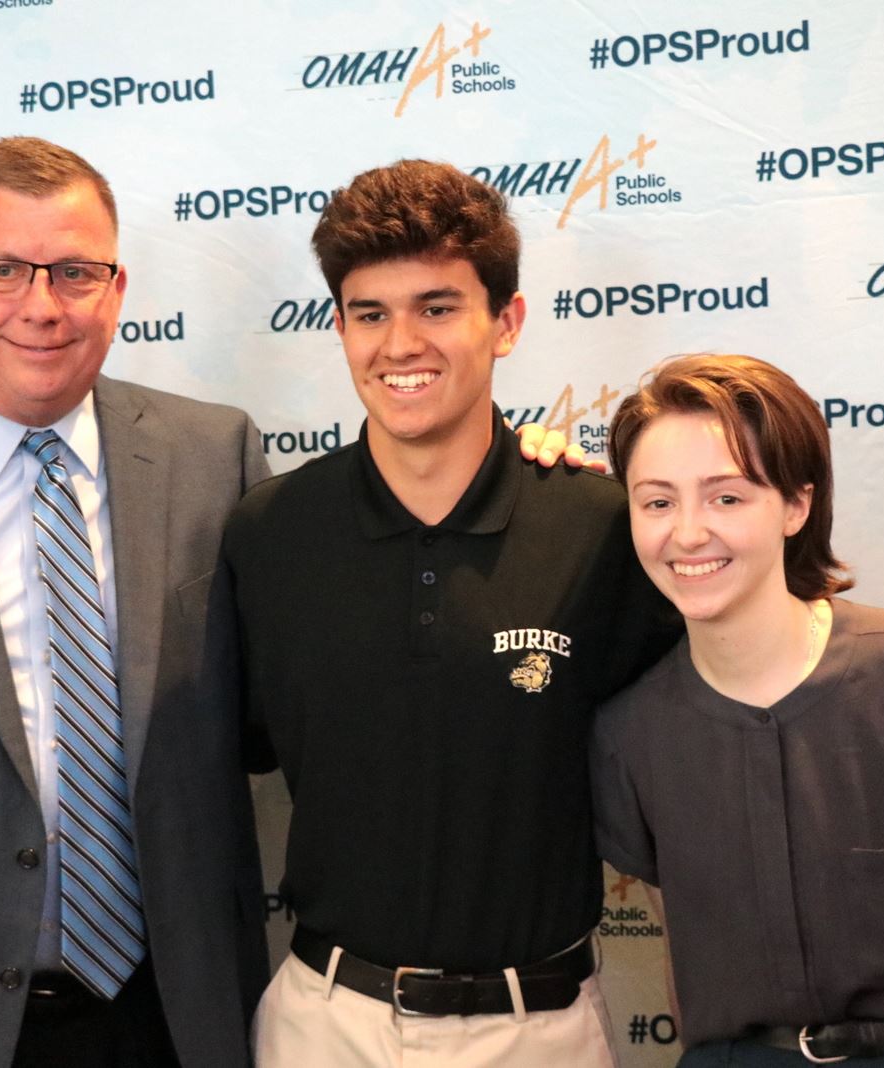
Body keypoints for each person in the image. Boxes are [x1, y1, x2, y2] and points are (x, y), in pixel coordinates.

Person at [224, 159, 680, 1067]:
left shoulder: (599, 526)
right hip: (323, 1025)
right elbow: (227, 758)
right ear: (341, 327)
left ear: (505, 321)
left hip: (540, 1030)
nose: (401, 344)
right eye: (369, 314)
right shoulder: (268, 533)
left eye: (437, 307)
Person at [0, 136, 270, 1068]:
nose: (39, 305)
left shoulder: (214, 460)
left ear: (116, 290)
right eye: (3, 270)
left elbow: (304, 676)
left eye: (73, 272)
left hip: (170, 1015)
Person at [591, 353, 884, 1066]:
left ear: (796, 505)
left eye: (727, 497)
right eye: (658, 502)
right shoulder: (629, 733)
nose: (689, 533)